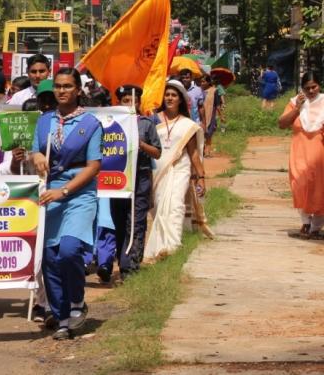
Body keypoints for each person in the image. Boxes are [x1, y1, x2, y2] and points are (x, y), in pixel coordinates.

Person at [31, 68, 103, 340]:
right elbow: (35, 149)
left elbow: (94, 165)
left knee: (69, 251)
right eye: (58, 86)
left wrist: (64, 190)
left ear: (78, 90)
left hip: (79, 193)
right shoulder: (45, 121)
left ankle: (76, 300)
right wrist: (36, 155)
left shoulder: (90, 124)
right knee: (49, 258)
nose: (62, 91)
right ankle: (61, 317)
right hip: (49, 193)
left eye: (68, 86)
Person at [145, 80, 206, 262]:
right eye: (167, 95)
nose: (170, 98)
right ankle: (160, 248)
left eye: (174, 95)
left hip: (180, 168)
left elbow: (193, 153)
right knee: (158, 208)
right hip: (157, 170)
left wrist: (201, 177)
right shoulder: (153, 119)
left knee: (175, 205)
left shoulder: (187, 124)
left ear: (180, 99)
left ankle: (172, 246)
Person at [111, 86, 161, 278]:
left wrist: (140, 144)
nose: (130, 104)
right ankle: (122, 260)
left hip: (140, 178)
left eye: (133, 101)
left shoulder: (146, 124)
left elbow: (157, 152)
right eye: (125, 101)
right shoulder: (111, 122)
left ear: (139, 102)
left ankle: (131, 265)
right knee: (120, 222)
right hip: (117, 180)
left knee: (136, 221)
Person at [278, 72, 324, 239]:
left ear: (319, 85)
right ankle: (305, 221)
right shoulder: (295, 102)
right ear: (302, 88)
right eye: (307, 88)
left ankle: (316, 226)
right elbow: (282, 124)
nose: (311, 91)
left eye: (314, 87)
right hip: (299, 152)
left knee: (319, 189)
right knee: (299, 185)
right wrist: (297, 108)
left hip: (320, 154)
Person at [200, 76, 220, 157]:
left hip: (211, 115)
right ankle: (202, 150)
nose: (202, 83)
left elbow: (217, 105)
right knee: (200, 134)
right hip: (200, 115)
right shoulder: (199, 91)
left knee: (209, 134)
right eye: (201, 81)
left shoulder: (214, 91)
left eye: (204, 81)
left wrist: (221, 116)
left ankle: (207, 151)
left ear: (208, 82)